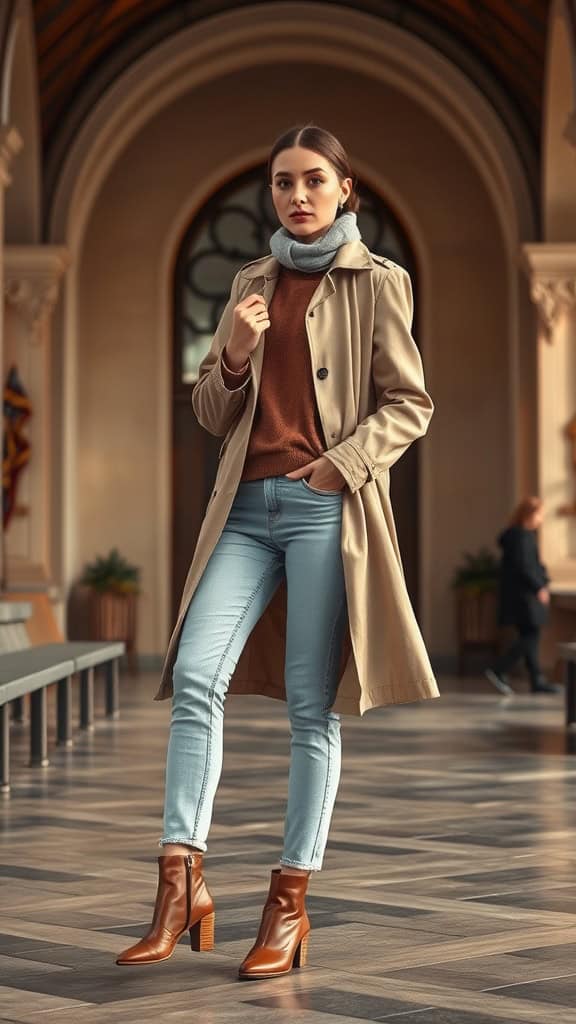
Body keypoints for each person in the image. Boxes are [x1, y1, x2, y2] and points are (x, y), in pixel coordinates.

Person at [115, 123, 438, 979]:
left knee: (309, 708)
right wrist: (233, 351)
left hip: (323, 509)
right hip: (243, 511)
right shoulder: (250, 282)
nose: (296, 196)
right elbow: (213, 415)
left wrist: (343, 467)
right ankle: (180, 882)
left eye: (313, 181)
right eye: (283, 183)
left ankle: (289, 905)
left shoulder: (380, 282)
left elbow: (410, 403)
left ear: (344, 191)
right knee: (194, 679)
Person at [485, 496, 561, 696]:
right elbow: (525, 567)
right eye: (540, 514)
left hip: (520, 595)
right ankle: (499, 668)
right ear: (529, 514)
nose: (541, 519)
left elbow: (533, 565)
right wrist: (539, 587)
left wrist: (543, 581)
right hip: (525, 596)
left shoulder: (520, 536)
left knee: (531, 636)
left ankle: (537, 679)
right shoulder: (522, 537)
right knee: (530, 636)